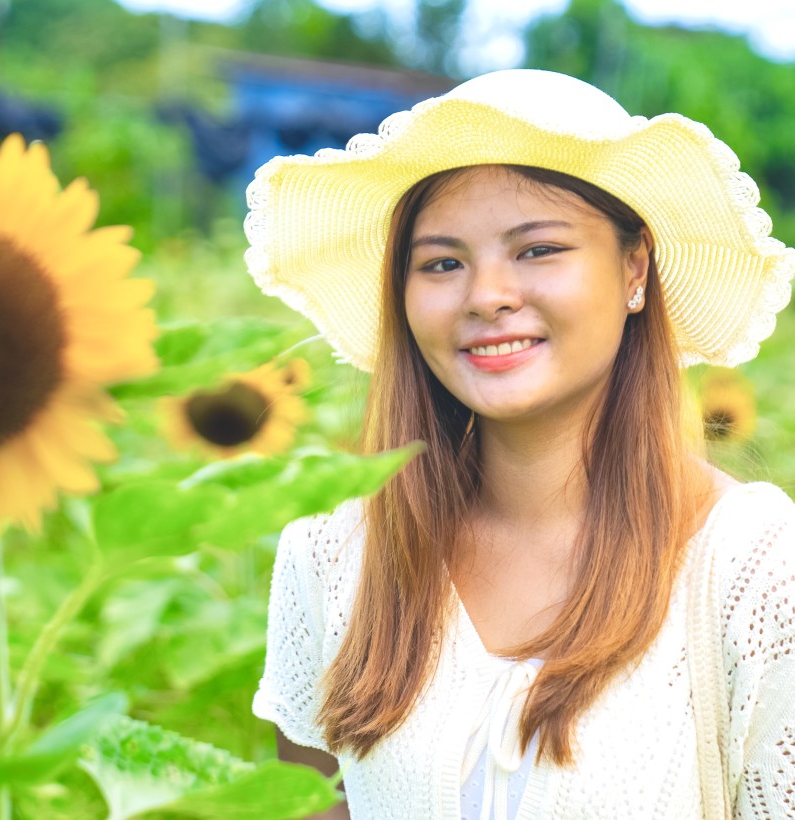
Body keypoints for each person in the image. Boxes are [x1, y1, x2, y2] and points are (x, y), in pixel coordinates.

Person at [243, 69, 795, 819]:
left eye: (537, 250)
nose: (486, 295)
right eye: (442, 262)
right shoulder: (332, 563)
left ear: (635, 269)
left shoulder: (753, 567)